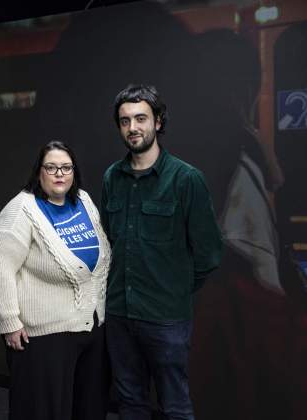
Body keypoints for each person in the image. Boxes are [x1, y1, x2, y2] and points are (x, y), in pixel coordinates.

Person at [100, 84, 223, 420]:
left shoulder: (186, 179)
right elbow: (109, 242)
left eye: (141, 118)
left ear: (158, 122)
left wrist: (173, 286)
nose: (133, 128)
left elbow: (210, 253)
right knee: (129, 402)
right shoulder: (113, 177)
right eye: (125, 121)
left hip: (166, 318)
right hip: (120, 315)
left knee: (175, 406)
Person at [0, 141, 111, 420]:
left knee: (87, 409)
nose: (59, 174)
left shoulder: (84, 201)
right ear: (39, 172)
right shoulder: (22, 209)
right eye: (51, 167)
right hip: (43, 337)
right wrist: (9, 321)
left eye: (66, 167)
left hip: (90, 328)